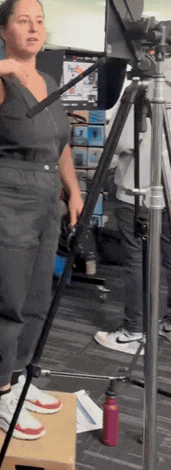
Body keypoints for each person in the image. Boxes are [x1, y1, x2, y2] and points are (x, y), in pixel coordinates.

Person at [0, 0, 83, 440]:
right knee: (6, 297)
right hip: (6, 192)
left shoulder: (47, 79)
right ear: (2, 30)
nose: (33, 27)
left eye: (39, 20)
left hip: (47, 196)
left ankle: (21, 376)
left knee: (35, 297)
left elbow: (58, 145)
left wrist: (74, 191)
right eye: (23, 20)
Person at [94, 90, 171, 354]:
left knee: (137, 262)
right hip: (169, 194)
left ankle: (134, 331)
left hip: (139, 194)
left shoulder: (144, 89)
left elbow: (121, 141)